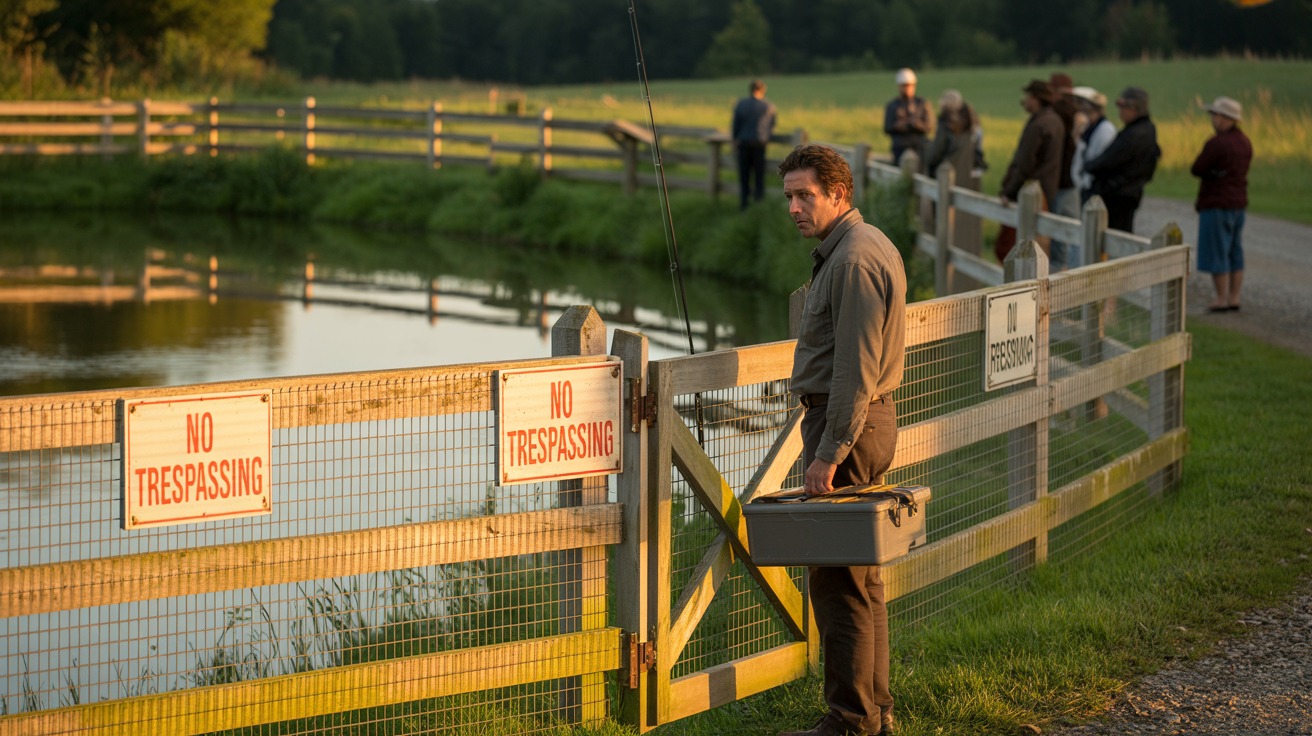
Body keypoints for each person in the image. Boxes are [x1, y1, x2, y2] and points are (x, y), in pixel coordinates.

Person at [776, 144, 906, 736]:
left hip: (846, 425)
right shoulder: (866, 243)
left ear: (838, 193)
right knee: (862, 577)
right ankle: (873, 712)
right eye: (789, 197)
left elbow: (855, 368)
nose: (795, 207)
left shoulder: (852, 260)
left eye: (806, 195)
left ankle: (850, 720)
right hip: (861, 421)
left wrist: (828, 453)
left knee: (837, 581)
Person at [1191, 96, 1252, 312]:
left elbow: (1197, 168)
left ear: (1224, 118)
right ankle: (1234, 297)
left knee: (1217, 250)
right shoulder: (1245, 142)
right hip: (1238, 202)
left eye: (1215, 115)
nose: (1213, 119)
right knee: (1235, 250)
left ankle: (1221, 298)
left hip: (1216, 202)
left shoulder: (1217, 143)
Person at [997, 79, 1064, 261]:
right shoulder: (1055, 120)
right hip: (1048, 190)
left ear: (1036, 98)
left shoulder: (1038, 125)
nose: (1025, 101)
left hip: (1033, 193)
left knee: (1026, 249)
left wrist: (1009, 192)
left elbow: (1025, 164)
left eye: (1027, 96)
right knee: (1041, 246)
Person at [1084, 87, 1161, 233]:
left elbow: (1109, 160)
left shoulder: (1135, 133)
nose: (1120, 112)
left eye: (1123, 107)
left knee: (1113, 239)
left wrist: (1089, 166)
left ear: (1133, 108)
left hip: (1118, 196)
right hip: (1127, 193)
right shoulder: (1145, 129)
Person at [1048, 73, 1080, 270]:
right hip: (1072, 179)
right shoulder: (1078, 112)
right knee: (1071, 228)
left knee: (1061, 230)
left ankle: (1062, 273)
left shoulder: (1058, 113)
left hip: (1062, 180)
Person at [732, 79, 778, 210]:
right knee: (759, 174)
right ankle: (759, 202)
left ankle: (744, 203)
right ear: (763, 90)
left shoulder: (741, 104)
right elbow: (772, 124)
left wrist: (735, 139)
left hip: (744, 143)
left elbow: (736, 125)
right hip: (759, 144)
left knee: (744, 174)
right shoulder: (768, 106)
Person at [1071, 86, 1116, 206]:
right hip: (1086, 185)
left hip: (1094, 186)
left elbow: (1097, 158)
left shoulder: (1105, 129)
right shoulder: (1090, 128)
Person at [926, 89, 981, 183]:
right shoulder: (970, 124)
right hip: (967, 176)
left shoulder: (944, 125)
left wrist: (930, 168)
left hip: (946, 175)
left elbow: (936, 152)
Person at [883, 68, 931, 168]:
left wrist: (916, 124)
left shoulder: (922, 104)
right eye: (904, 86)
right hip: (900, 148)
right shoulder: (892, 105)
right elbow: (887, 127)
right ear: (899, 87)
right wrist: (898, 126)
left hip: (919, 148)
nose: (907, 88)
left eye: (909, 85)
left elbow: (929, 126)